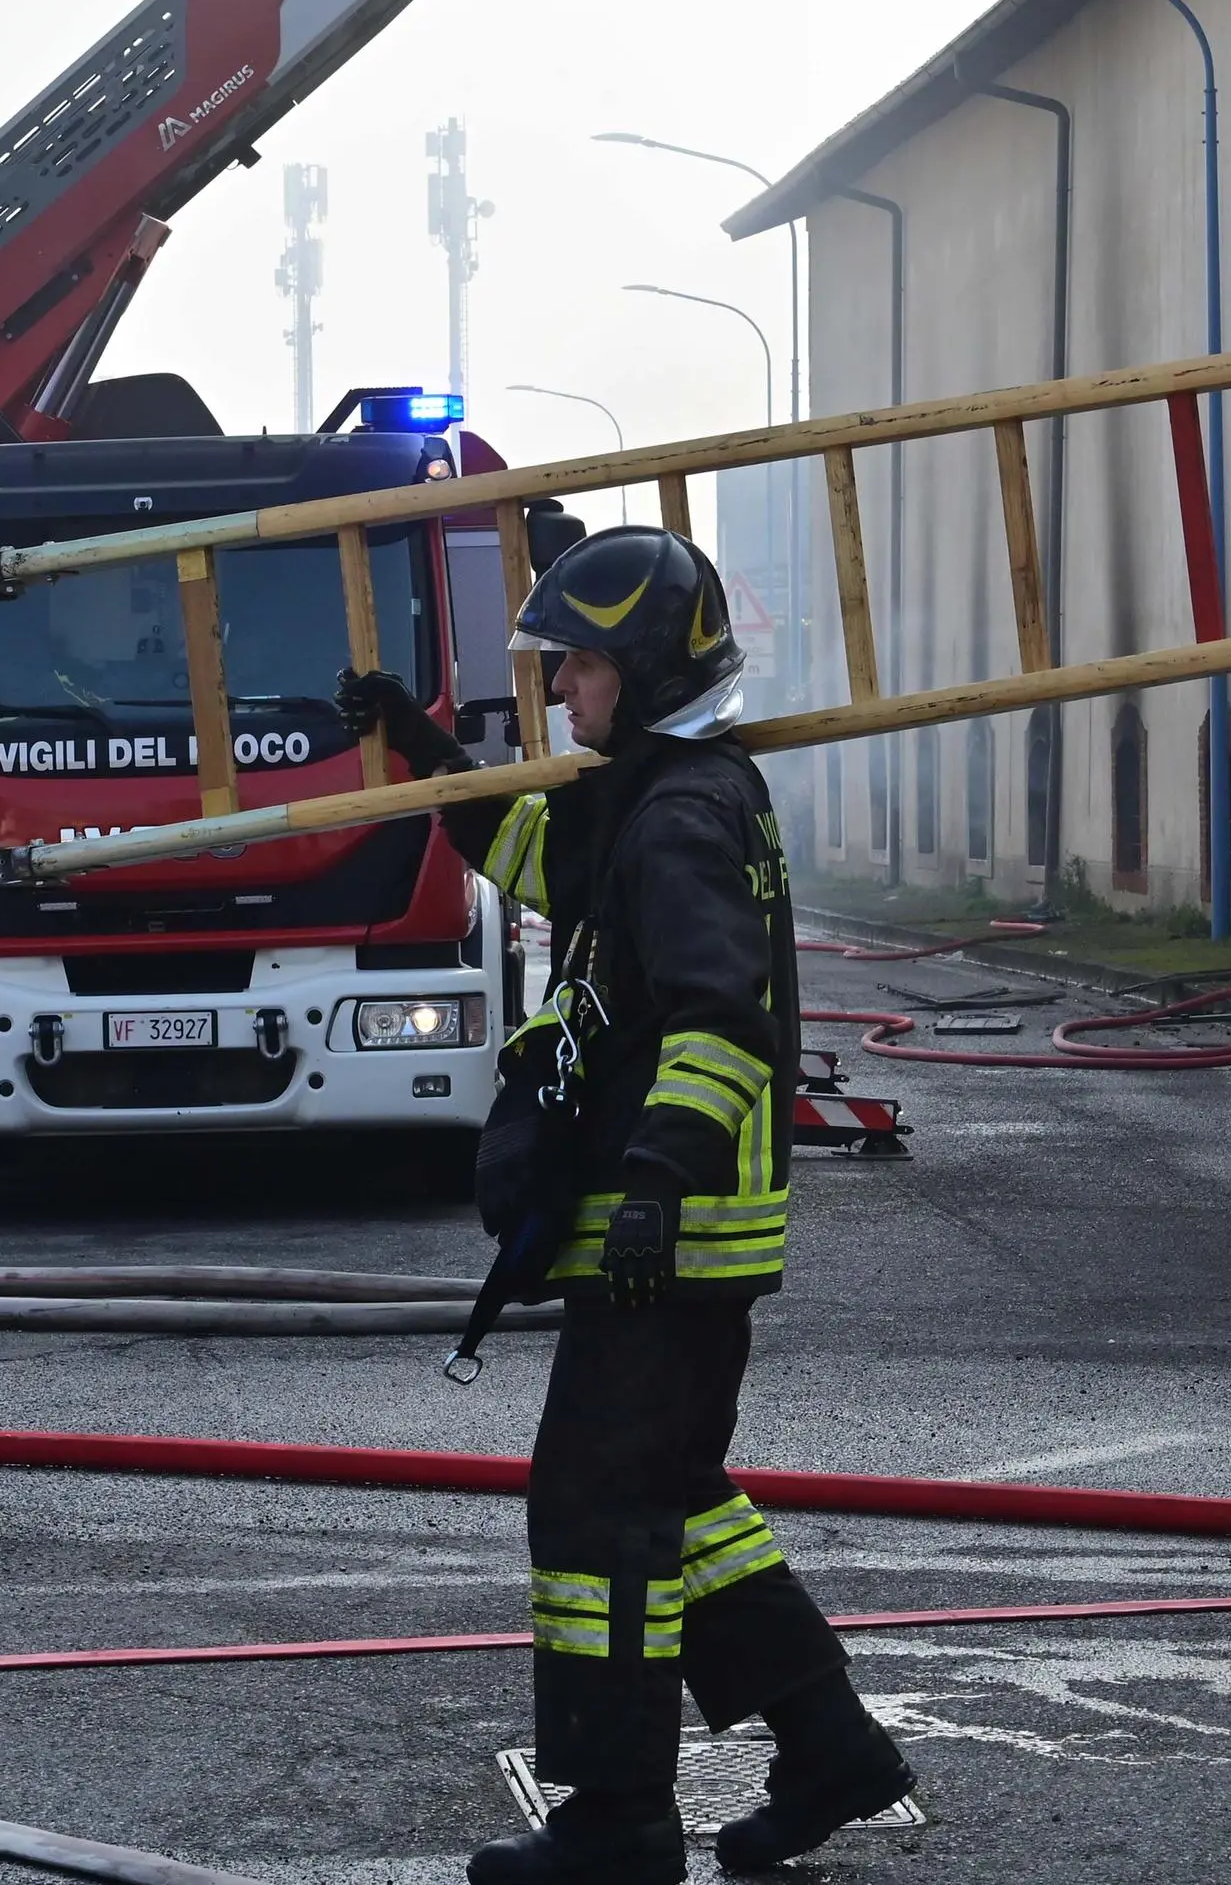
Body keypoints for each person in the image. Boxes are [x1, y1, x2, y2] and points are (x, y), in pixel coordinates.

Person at [335, 524, 913, 1885]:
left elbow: (721, 1020)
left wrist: (652, 1186)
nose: (565, 693)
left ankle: (615, 1821)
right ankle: (829, 1746)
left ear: (645, 666)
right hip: (673, 1231)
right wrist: (427, 755)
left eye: (583, 668)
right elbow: (549, 859)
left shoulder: (682, 814)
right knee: (662, 1493)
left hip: (675, 1234)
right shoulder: (656, 793)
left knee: (594, 1515)